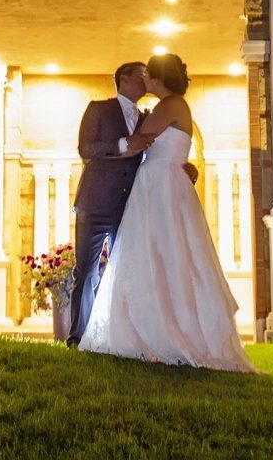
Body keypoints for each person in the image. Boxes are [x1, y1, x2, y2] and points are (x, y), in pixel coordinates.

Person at [77, 53, 256, 372]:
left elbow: (140, 141)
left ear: (156, 80)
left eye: (148, 74)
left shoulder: (166, 107)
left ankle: (161, 329)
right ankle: (156, 323)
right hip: (161, 183)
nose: (144, 78)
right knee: (162, 253)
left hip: (159, 186)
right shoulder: (170, 107)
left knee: (159, 253)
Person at [67, 61, 148, 347]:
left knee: (124, 273)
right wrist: (124, 144)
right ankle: (78, 336)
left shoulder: (147, 118)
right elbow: (85, 149)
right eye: (141, 76)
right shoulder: (98, 109)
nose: (146, 81)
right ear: (123, 80)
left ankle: (116, 336)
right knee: (87, 271)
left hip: (130, 208)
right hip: (95, 204)